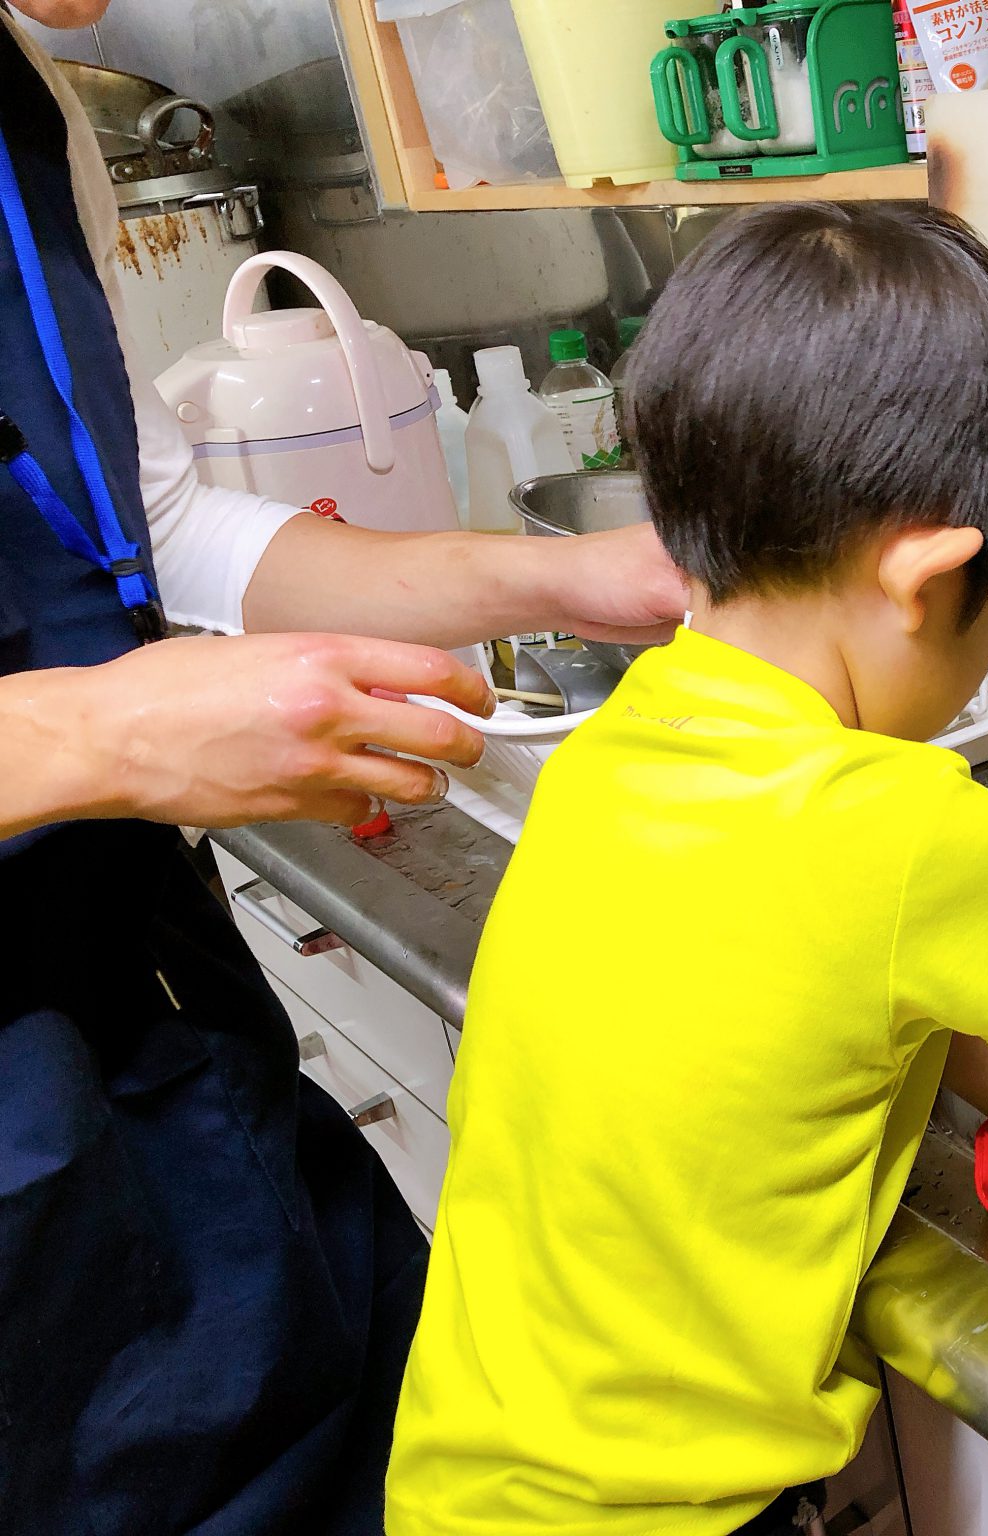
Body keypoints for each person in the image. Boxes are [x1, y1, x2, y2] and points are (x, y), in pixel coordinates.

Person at [383, 202, 988, 1536]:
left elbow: (835, 996)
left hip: (458, 1480)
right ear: (927, 581)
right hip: (679, 1516)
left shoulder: (603, 758)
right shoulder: (916, 827)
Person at [0, 7, 692, 1532]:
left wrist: (556, 578)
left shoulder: (27, 95)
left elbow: (153, 525)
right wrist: (97, 736)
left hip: (163, 1039)